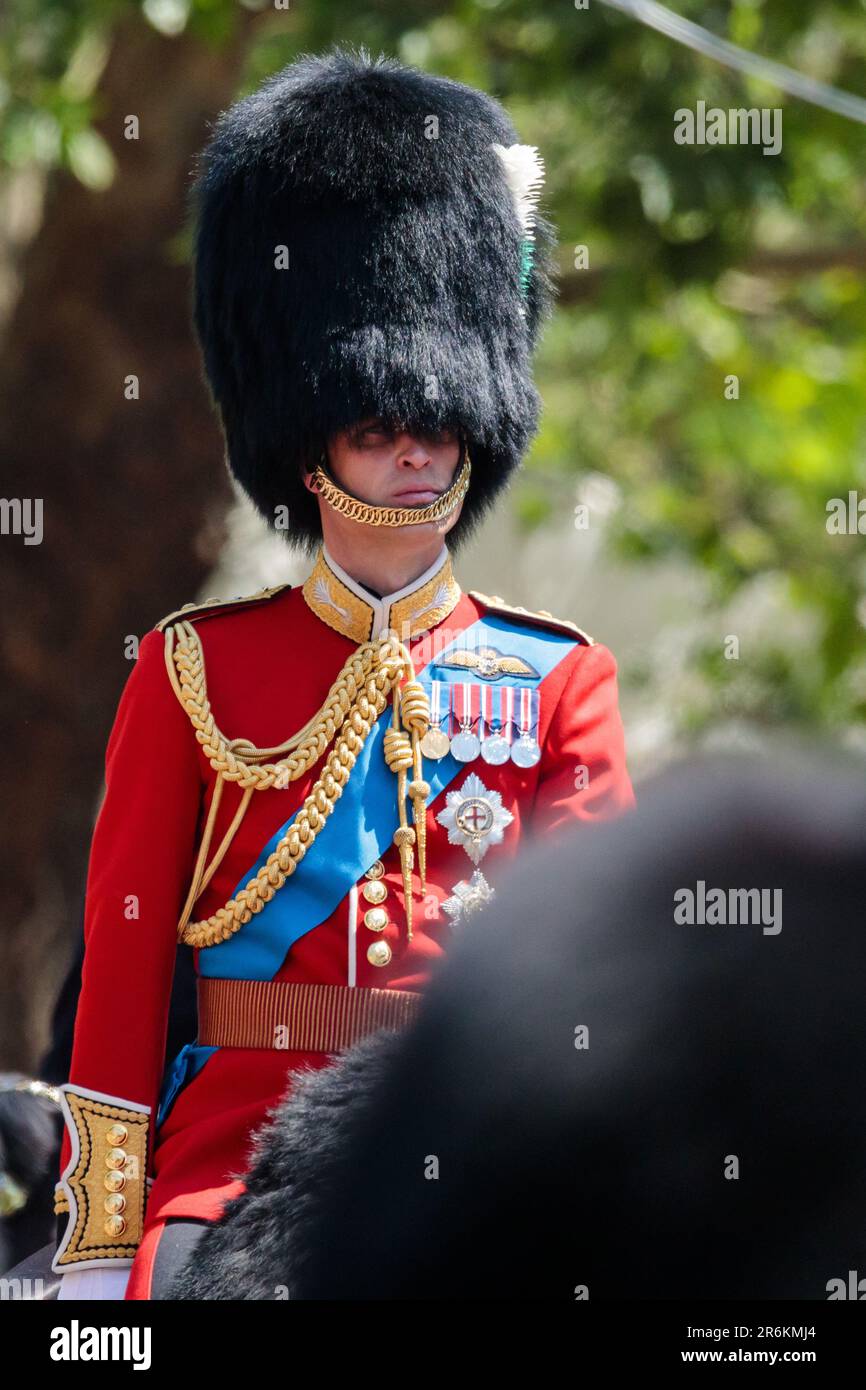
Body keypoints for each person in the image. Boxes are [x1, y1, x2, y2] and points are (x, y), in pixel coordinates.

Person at [52, 45, 634, 1301]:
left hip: (471, 1162)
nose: (417, 456)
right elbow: (124, 977)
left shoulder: (556, 682)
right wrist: (102, 1248)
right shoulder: (191, 669)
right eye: (377, 427)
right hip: (230, 1169)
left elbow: (599, 986)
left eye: (436, 426)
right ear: (311, 438)